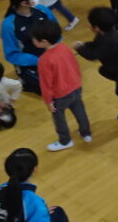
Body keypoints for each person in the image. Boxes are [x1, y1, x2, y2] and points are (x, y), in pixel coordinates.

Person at [32, 19, 92, 152]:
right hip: (76, 88)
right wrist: (77, 82)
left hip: (60, 95)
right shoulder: (65, 47)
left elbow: (45, 84)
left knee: (59, 118)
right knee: (80, 111)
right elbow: (75, 66)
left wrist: (48, 101)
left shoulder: (44, 60)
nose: (32, 40)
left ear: (44, 41)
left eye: (34, 38)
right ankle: (86, 133)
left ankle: (65, 141)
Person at [73, 7, 118, 121]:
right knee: (103, 70)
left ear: (97, 27)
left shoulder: (108, 40)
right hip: (117, 64)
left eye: (90, 24)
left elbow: (93, 55)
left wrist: (79, 48)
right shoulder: (105, 33)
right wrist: (84, 45)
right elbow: (95, 45)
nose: (88, 25)